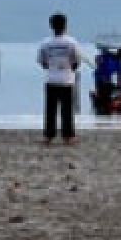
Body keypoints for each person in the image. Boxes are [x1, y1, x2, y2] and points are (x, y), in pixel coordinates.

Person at [37, 12, 81, 143]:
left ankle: (48, 135)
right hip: (67, 79)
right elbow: (76, 61)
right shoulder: (71, 42)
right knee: (67, 109)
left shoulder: (45, 43)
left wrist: (52, 66)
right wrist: (69, 68)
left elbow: (42, 62)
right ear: (65, 25)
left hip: (51, 79)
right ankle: (68, 136)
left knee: (50, 109)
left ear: (51, 26)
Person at [93, 45, 121, 113]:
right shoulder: (108, 55)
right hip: (100, 79)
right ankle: (103, 102)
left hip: (107, 81)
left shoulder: (119, 63)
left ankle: (109, 104)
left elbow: (119, 78)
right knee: (104, 91)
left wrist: (119, 88)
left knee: (120, 90)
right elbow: (97, 59)